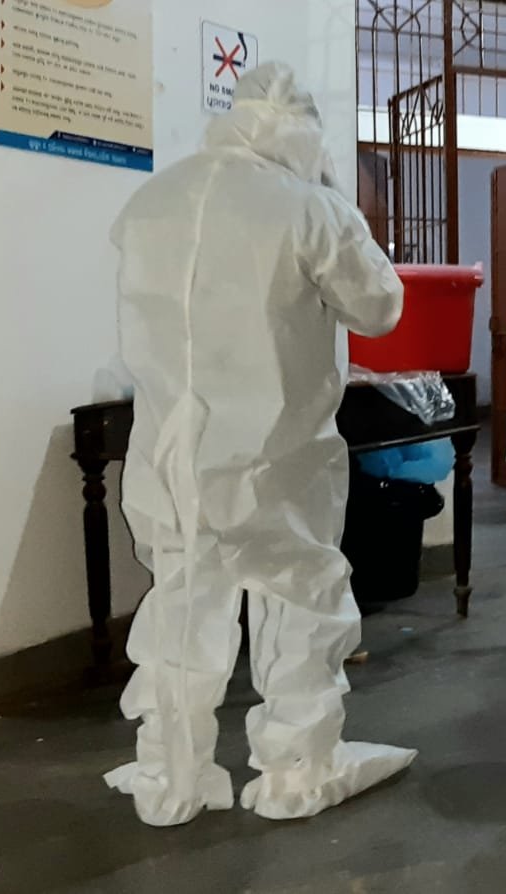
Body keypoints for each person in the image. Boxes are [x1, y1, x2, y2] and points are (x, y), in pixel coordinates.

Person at [104, 62, 416, 827]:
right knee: (300, 594)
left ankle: (170, 771)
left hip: (171, 453)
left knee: (183, 597)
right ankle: (297, 768)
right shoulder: (308, 207)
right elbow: (379, 307)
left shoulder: (152, 200)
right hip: (274, 454)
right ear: (304, 130)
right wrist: (338, 203)